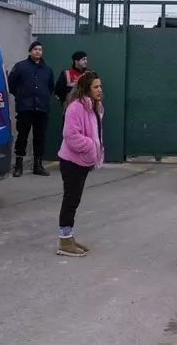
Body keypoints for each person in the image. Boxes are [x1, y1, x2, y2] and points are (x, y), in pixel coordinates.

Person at [55, 71, 105, 257]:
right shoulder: (76, 107)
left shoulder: (95, 107)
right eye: (95, 87)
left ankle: (69, 237)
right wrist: (91, 146)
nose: (100, 90)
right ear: (86, 89)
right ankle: (64, 241)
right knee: (70, 200)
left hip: (82, 161)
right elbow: (70, 135)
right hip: (71, 161)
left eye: (100, 86)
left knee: (74, 200)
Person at [7, 41, 56, 177]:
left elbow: (50, 87)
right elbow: (11, 84)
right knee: (22, 136)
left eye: (40, 49)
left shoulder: (47, 69)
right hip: (25, 108)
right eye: (35, 49)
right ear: (30, 51)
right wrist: (21, 95)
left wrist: (44, 97)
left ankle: (38, 166)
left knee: (40, 137)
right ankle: (18, 166)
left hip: (41, 109)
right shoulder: (21, 67)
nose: (38, 52)